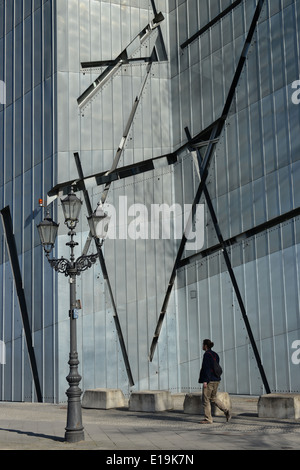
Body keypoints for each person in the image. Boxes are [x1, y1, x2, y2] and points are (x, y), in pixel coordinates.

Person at [198, 339, 231, 424]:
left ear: (205, 346)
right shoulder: (215, 354)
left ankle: (208, 419)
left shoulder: (206, 355)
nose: (202, 346)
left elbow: (207, 369)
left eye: (203, 344)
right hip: (216, 380)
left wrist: (205, 381)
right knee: (213, 398)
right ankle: (226, 410)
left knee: (205, 400)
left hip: (209, 381)